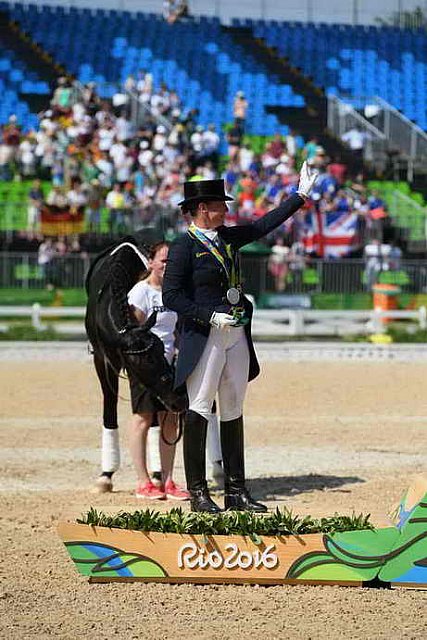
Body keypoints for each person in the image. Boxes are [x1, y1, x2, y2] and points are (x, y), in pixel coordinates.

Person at [162, 162, 318, 513]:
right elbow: (171, 297)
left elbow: (265, 224)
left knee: (233, 407)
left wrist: (300, 196)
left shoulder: (229, 237)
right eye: (222, 205)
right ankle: (199, 492)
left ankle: (236, 491)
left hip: (235, 334)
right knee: (200, 406)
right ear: (203, 209)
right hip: (205, 334)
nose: (227, 210)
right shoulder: (183, 246)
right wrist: (207, 314)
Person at [127, 241, 189, 501]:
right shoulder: (141, 292)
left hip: (168, 365)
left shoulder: (174, 292)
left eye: (171, 262)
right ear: (150, 262)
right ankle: (143, 481)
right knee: (143, 418)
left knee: (170, 419)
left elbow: (176, 329)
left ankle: (168, 479)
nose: (167, 266)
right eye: (163, 261)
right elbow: (133, 330)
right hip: (145, 366)